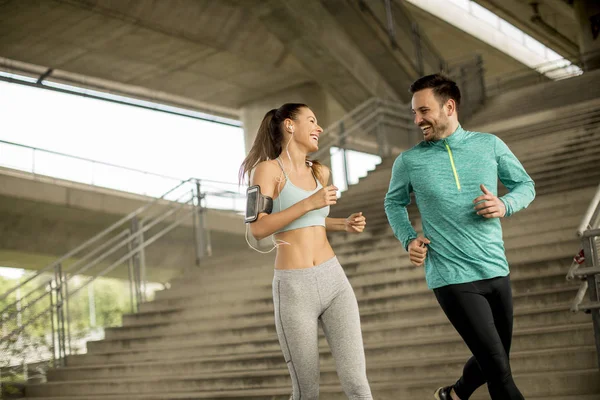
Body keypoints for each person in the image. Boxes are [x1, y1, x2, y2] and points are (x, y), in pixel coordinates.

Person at [384, 74, 535, 400]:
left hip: (496, 268)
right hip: (451, 277)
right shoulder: (409, 161)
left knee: (494, 361)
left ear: (449, 106)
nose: (416, 119)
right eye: (413, 112)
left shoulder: (489, 144)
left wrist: (504, 204)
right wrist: (408, 238)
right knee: (499, 370)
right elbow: (393, 202)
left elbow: (526, 186)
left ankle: (454, 394)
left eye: (423, 110)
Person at [239, 103, 373, 400]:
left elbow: (313, 221)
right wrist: (310, 203)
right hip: (294, 286)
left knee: (357, 383)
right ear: (289, 125)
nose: (319, 128)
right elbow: (258, 229)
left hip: (334, 279)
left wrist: (343, 224)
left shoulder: (319, 172)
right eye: (311, 120)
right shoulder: (268, 170)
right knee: (307, 391)